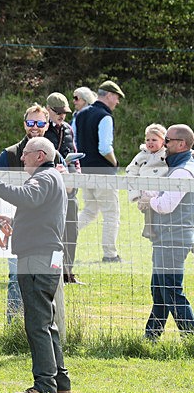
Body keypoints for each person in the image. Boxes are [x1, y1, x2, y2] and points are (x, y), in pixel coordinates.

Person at [0, 136, 70, 393]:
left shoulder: (43, 178)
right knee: (47, 322)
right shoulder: (53, 179)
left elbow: (26, 196)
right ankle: (60, 383)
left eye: (26, 153)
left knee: (36, 323)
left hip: (37, 258)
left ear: (40, 155)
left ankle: (44, 385)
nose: (22, 157)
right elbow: (38, 210)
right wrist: (15, 222)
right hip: (46, 255)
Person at [0, 105, 66, 338]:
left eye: (40, 123)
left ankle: (44, 331)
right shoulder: (9, 154)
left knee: (46, 288)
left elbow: (69, 191)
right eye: (31, 123)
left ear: (47, 125)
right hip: (17, 228)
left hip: (46, 233)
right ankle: (15, 328)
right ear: (24, 123)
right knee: (16, 279)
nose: (35, 128)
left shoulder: (54, 155)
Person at [137, 124, 194, 340]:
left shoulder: (182, 171)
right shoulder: (180, 167)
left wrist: (149, 199)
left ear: (181, 144)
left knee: (170, 290)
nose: (164, 145)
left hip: (174, 238)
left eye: (168, 141)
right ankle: (151, 336)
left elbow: (166, 205)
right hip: (169, 237)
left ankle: (191, 335)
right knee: (160, 290)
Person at [73, 80, 125, 263]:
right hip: (103, 172)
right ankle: (110, 254)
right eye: (117, 97)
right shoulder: (105, 116)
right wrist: (115, 162)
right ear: (109, 95)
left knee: (89, 211)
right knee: (111, 213)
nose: (117, 102)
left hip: (85, 171)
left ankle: (64, 236)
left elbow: (75, 143)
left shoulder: (80, 114)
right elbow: (104, 148)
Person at [46, 92, 83, 285]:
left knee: (71, 230)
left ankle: (69, 273)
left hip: (70, 188)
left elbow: (74, 155)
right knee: (54, 232)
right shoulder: (42, 129)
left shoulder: (68, 129)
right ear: (48, 110)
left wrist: (75, 177)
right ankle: (55, 271)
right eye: (58, 112)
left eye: (64, 112)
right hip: (51, 189)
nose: (62, 116)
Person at [126, 123, 167, 239]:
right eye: (147, 140)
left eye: (154, 140)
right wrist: (136, 195)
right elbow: (131, 170)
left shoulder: (167, 154)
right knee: (147, 204)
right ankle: (148, 228)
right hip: (146, 187)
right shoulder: (142, 155)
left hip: (161, 187)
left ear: (163, 141)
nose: (150, 142)